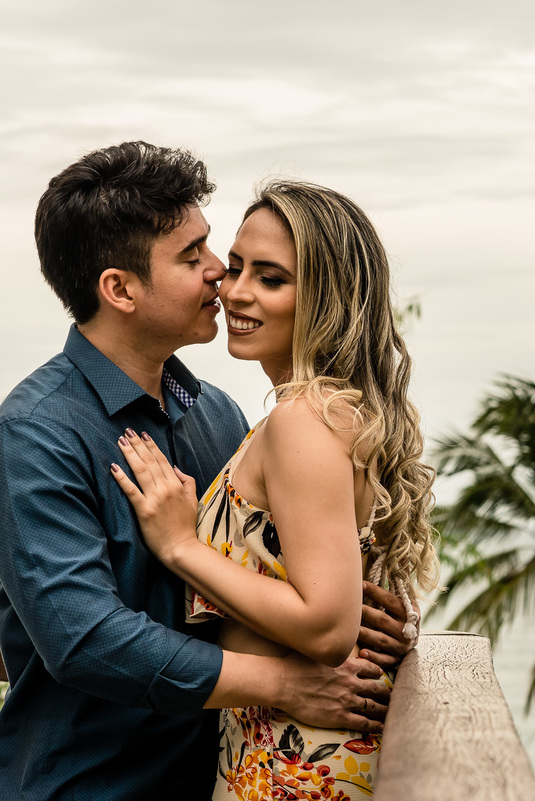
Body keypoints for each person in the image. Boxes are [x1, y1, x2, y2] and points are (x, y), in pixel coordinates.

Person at [0, 143, 414, 801]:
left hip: (220, 775)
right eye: (196, 256)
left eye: (218, 253)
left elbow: (277, 582)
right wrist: (282, 683)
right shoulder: (32, 437)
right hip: (95, 787)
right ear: (119, 288)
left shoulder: (219, 418)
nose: (219, 277)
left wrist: (367, 606)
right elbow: (86, 638)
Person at [111, 180, 437, 800]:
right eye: (235, 268)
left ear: (326, 299)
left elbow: (326, 628)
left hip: (295, 764)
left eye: (271, 278)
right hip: (287, 750)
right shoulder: (320, 414)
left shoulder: (302, 420)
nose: (234, 291)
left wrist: (182, 547)